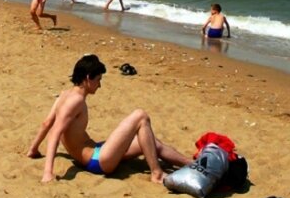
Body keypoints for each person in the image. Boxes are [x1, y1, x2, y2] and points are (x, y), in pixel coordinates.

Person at [27, 54, 191, 183]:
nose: (100, 85)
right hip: (98, 160)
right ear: (88, 78)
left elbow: (46, 123)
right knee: (141, 116)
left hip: (97, 151)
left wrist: (33, 150)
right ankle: (157, 173)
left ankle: (192, 165)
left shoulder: (64, 95)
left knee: (151, 142)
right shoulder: (76, 101)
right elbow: (55, 133)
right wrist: (48, 173)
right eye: (98, 80)